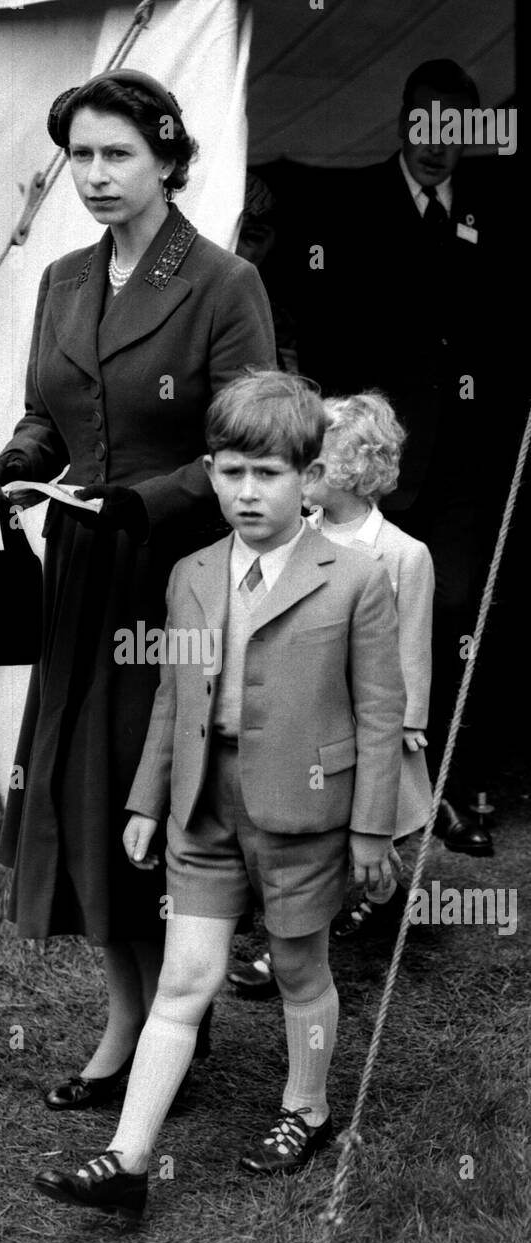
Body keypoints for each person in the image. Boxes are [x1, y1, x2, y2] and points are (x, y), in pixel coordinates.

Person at [33, 369, 405, 1214]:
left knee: (300, 969)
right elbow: (173, 694)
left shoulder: (354, 580)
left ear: (308, 479)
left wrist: (370, 831)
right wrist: (145, 799)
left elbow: (382, 715)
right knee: (184, 980)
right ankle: (126, 1162)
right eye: (229, 471)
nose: (245, 492)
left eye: (267, 474)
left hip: (306, 811)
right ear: (210, 471)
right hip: (204, 803)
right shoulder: (192, 573)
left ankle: (304, 1109)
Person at [0, 71, 277, 1107]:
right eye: (81, 155)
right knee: (76, 795)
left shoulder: (222, 283)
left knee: (149, 801)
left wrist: (143, 503)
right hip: (77, 580)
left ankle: (173, 1020)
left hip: (172, 585)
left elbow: (250, 449)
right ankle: (127, 1015)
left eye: (118, 154)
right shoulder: (62, 278)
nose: (96, 175)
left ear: (166, 160)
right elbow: (46, 411)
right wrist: (16, 460)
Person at [290, 60, 501, 856]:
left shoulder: (496, 211)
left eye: (455, 130)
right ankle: (349, 797)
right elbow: (325, 337)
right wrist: (340, 441)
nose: (438, 146)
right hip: (373, 461)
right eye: (425, 127)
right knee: (351, 619)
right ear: (403, 123)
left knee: (454, 616)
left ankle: (456, 785)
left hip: (465, 467)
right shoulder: (347, 210)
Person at [229, 392, 433, 1000]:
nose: (297, 470)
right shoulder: (294, 538)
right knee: (304, 830)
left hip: (370, 714)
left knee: (366, 825)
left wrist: (409, 717)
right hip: (308, 711)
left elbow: (413, 644)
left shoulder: (402, 554)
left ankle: (376, 890)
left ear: (346, 469)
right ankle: (289, 944)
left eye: (311, 459)